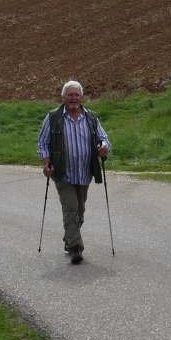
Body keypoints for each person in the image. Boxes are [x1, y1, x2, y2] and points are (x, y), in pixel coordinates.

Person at [37, 80, 110, 265]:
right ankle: (75, 248)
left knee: (79, 210)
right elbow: (42, 143)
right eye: (70, 95)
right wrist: (47, 162)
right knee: (70, 208)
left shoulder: (91, 117)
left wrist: (103, 147)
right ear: (63, 97)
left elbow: (103, 138)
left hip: (85, 173)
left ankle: (69, 238)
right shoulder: (53, 117)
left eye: (76, 95)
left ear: (81, 97)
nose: (73, 98)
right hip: (63, 173)